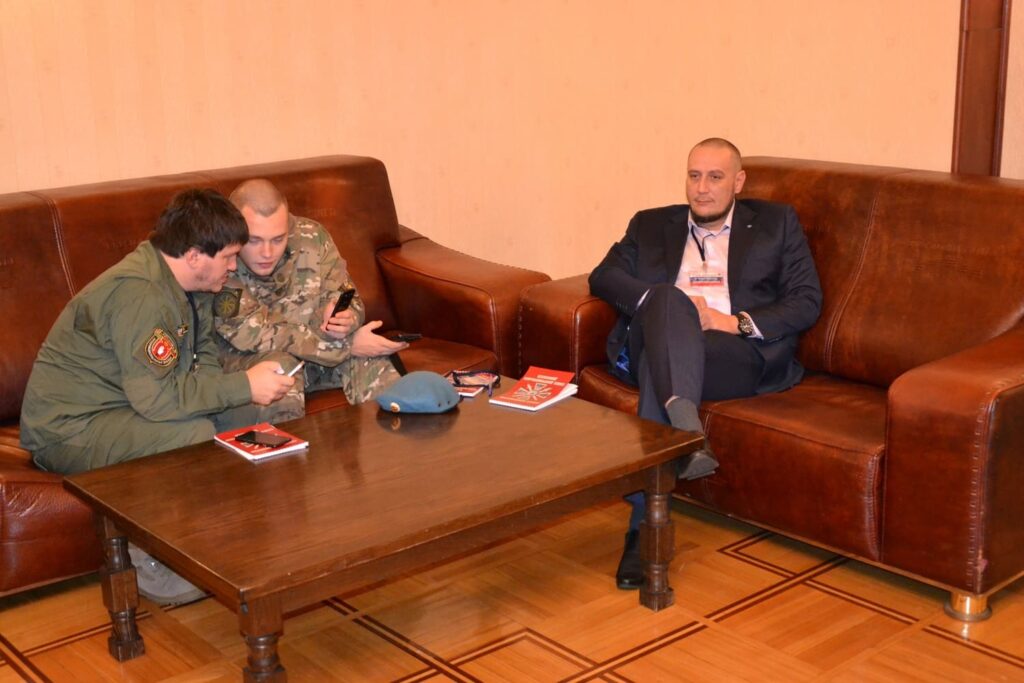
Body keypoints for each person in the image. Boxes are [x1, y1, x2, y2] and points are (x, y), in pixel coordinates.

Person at [20, 188, 296, 605]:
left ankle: (240, 534)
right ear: (193, 255)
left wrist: (246, 394)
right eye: (227, 256)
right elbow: (160, 402)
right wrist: (243, 385)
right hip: (71, 428)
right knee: (191, 435)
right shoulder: (141, 295)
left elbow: (202, 359)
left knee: (257, 410)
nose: (234, 265)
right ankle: (152, 566)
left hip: (132, 403)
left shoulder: (193, 283)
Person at [589, 138, 823, 589]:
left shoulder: (776, 224)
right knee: (666, 307)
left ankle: (643, 529)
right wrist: (660, 303)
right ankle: (686, 432)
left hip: (730, 351)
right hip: (656, 338)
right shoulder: (651, 224)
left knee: (663, 370)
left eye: (715, 177)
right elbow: (604, 276)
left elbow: (807, 300)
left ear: (738, 181)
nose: (702, 188)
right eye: (694, 176)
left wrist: (732, 322)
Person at [214, 179, 404, 410]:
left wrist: (344, 318)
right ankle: (286, 446)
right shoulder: (220, 257)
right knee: (280, 369)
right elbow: (258, 333)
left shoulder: (312, 237)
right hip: (252, 362)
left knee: (372, 360)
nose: (267, 252)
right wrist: (346, 345)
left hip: (317, 356)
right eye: (254, 240)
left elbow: (347, 294)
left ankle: (391, 439)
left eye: (278, 239)